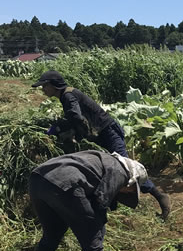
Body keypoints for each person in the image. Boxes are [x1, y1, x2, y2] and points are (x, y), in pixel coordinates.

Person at [31, 70, 171, 219]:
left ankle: (160, 197)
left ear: (54, 85)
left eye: (45, 86)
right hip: (100, 134)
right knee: (108, 169)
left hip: (108, 132)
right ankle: (111, 206)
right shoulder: (66, 95)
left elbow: (75, 116)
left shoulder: (68, 95)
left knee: (125, 168)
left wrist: (59, 128)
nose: (43, 89)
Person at [28, 150, 148, 251]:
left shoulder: (104, 159)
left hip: (38, 180)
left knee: (53, 232)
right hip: (65, 182)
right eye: (132, 189)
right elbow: (101, 200)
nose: (129, 192)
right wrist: (98, 227)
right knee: (93, 232)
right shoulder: (120, 171)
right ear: (133, 180)